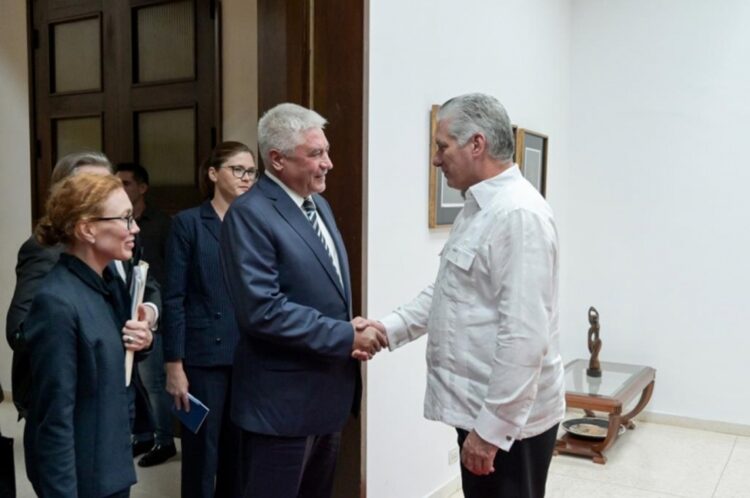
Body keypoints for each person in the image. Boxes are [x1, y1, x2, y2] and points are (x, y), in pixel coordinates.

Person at [364, 93, 565, 498]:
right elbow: (447, 291)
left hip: (509, 426)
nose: (436, 160)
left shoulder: (518, 215)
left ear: (477, 144)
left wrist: (491, 432)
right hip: (483, 412)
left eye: (442, 146)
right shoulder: (479, 208)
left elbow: (525, 337)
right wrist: (387, 328)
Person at [220, 103, 386, 498]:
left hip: (326, 398)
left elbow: (322, 292)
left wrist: (349, 329)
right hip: (280, 408)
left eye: (326, 151)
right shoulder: (250, 214)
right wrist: (346, 335)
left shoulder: (319, 205)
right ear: (276, 159)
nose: (328, 163)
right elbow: (263, 311)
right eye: (315, 154)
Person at [23, 173, 153, 497]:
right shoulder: (56, 303)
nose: (135, 227)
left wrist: (141, 340)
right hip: (84, 478)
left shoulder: (107, 282)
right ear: (87, 229)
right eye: (125, 219)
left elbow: (113, 357)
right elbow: (54, 421)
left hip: (112, 463)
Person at [5, 151, 160, 421]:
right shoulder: (45, 251)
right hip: (73, 401)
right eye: (92, 187)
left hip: (117, 394)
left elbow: (148, 285)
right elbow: (20, 331)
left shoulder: (119, 236)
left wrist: (146, 318)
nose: (104, 193)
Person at [163, 141, 256, 497]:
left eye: (251, 171)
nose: (246, 178)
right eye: (238, 169)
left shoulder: (254, 222)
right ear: (214, 173)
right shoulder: (189, 224)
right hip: (203, 358)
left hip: (248, 355)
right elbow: (174, 298)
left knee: (239, 453)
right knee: (202, 453)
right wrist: (174, 364)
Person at [115, 162, 176, 466]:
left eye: (126, 183)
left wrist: (155, 310)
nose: (121, 188)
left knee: (154, 383)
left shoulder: (161, 224)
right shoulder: (116, 223)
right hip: (124, 316)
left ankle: (165, 440)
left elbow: (166, 274)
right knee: (134, 381)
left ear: (142, 188)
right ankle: (142, 435)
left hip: (153, 315)